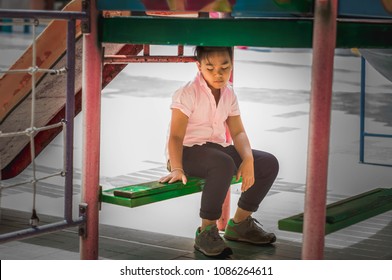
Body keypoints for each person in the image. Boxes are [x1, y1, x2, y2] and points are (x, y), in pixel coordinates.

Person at [159, 46, 279, 257]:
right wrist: (177, 168)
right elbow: (176, 137)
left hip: (217, 150)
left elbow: (238, 132)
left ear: (231, 65)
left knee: (267, 162)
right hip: (186, 153)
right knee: (223, 163)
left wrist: (248, 159)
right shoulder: (187, 93)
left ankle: (240, 224)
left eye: (225, 67)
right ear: (199, 66)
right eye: (210, 67)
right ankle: (206, 231)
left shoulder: (229, 92)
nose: (218, 73)